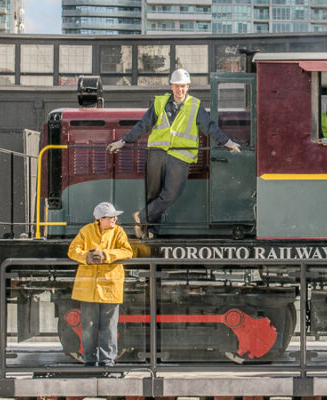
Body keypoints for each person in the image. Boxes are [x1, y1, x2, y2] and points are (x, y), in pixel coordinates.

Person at [107, 68, 242, 239]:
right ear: (171, 86)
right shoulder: (159, 103)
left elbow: (209, 127)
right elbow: (143, 125)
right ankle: (150, 230)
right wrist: (123, 141)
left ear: (188, 87)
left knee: (171, 194)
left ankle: (142, 216)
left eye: (184, 86)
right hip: (157, 153)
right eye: (177, 86)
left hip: (180, 156)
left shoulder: (195, 105)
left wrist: (227, 142)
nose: (180, 90)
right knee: (153, 193)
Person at [67, 202, 134, 367]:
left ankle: (107, 360)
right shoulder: (86, 231)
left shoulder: (118, 232)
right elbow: (73, 250)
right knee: (89, 326)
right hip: (89, 288)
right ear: (101, 219)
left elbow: (127, 251)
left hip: (109, 287)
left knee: (109, 327)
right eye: (111, 216)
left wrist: (106, 255)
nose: (115, 219)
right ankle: (90, 360)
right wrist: (87, 257)